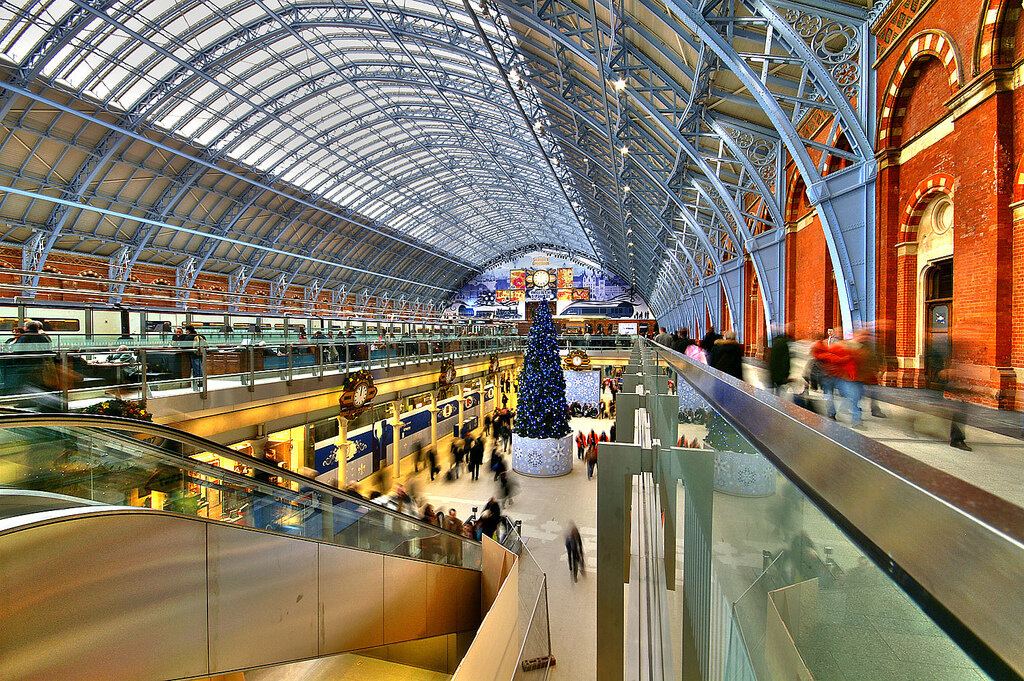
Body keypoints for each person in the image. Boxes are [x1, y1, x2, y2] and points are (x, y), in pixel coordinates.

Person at [768, 325, 793, 396]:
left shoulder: (775, 342)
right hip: (780, 374)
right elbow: (785, 361)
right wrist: (786, 374)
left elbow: (773, 360)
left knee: (776, 392)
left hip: (775, 374)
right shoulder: (783, 343)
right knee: (780, 393)